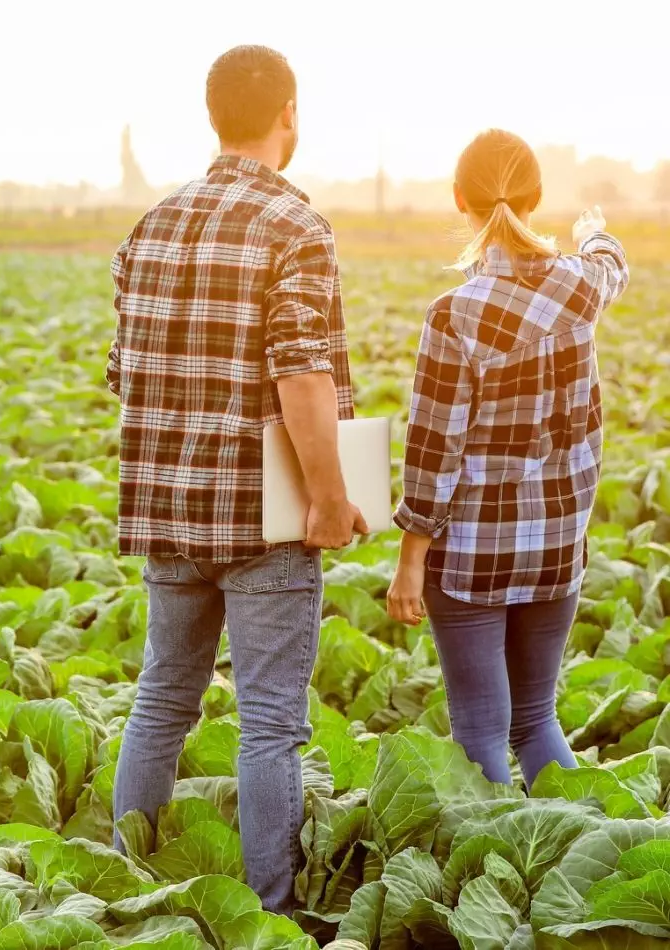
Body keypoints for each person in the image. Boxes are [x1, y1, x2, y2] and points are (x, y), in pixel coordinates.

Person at [105, 45, 366, 915]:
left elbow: (123, 372)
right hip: (264, 522)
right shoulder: (296, 227)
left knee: (160, 703)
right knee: (269, 727)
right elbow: (302, 374)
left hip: (166, 511)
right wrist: (330, 497)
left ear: (213, 116)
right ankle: (272, 913)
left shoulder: (151, 225)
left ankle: (123, 885)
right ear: (287, 114)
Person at [387, 129, 630, 788]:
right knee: (536, 721)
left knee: (481, 731)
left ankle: (497, 850)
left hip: (471, 557)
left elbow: (432, 450)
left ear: (459, 198)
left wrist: (411, 560)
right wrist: (591, 233)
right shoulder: (582, 289)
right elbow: (612, 265)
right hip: (557, 547)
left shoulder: (455, 315)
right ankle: (574, 856)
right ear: (538, 195)